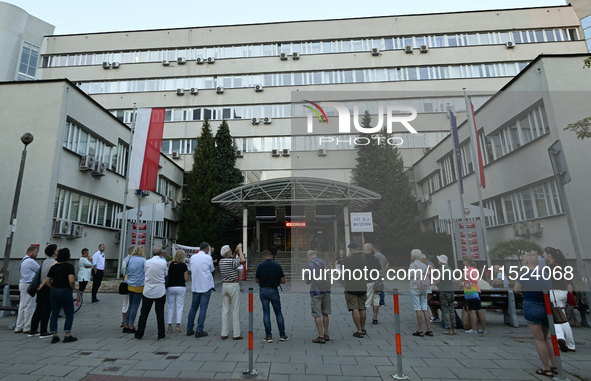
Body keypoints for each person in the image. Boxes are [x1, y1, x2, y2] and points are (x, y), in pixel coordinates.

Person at [514, 251, 557, 378]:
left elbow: (516, 290)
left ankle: (546, 368)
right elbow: (548, 289)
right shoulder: (544, 274)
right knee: (546, 338)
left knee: (538, 339)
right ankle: (555, 366)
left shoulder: (524, 274)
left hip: (532, 305)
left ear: (526, 262)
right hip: (546, 307)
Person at [543, 247, 576, 352]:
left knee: (557, 318)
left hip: (554, 294)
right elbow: (569, 281)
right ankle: (570, 343)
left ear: (549, 255)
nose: (543, 255)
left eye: (544, 253)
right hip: (563, 293)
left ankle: (561, 339)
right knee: (562, 317)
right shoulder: (562, 265)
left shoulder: (550, 267)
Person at [42, 248, 77, 343]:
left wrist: (52, 287)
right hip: (65, 290)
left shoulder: (54, 267)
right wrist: (72, 288)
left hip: (54, 290)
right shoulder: (69, 267)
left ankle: (54, 335)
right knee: (69, 313)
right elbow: (71, 280)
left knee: (54, 313)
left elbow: (47, 281)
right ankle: (67, 335)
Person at [255, 249, 288, 343]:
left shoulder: (260, 266)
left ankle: (268, 336)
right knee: (278, 312)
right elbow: (283, 280)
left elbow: (257, 280)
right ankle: (282, 335)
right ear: (271, 256)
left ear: (263, 257)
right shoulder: (277, 266)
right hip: (274, 290)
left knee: (266, 313)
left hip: (263, 290)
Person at [135, 247, 168, 340]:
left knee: (144, 313)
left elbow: (145, 271)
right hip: (159, 290)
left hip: (148, 289)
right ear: (161, 254)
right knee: (160, 313)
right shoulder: (163, 262)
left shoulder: (147, 262)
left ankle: (139, 334)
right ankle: (161, 334)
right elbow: (166, 273)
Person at [187, 242, 215, 338]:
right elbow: (212, 269)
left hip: (195, 285)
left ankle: (189, 328)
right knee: (203, 308)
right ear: (207, 249)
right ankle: (199, 330)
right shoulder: (208, 258)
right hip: (205, 285)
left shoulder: (193, 257)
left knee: (193, 307)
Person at [29, 244, 57, 338]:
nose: (57, 251)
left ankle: (33, 329)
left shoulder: (44, 261)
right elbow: (49, 277)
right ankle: (43, 331)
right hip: (47, 286)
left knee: (39, 308)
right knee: (46, 309)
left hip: (40, 287)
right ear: (53, 251)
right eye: (56, 250)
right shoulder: (54, 263)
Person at [219, 243, 245, 340]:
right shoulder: (231, 262)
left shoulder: (221, 262)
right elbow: (242, 261)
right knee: (235, 310)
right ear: (227, 253)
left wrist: (235, 252)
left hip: (224, 285)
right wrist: (240, 250)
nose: (231, 251)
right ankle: (236, 334)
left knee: (225, 310)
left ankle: (224, 333)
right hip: (233, 285)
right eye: (229, 250)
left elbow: (233, 260)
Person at [304, 250, 331, 344]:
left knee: (317, 314)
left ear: (309, 255)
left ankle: (321, 336)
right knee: (325, 313)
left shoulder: (310, 265)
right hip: (326, 289)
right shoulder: (323, 262)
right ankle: (326, 334)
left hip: (316, 290)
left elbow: (307, 280)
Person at [342, 242, 368, 338]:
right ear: (358, 248)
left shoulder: (347, 259)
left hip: (351, 287)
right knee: (362, 307)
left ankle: (359, 330)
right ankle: (363, 327)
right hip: (362, 286)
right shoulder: (363, 259)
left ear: (350, 249)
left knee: (354, 308)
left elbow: (342, 270)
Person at [15, 245, 40, 334]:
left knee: (22, 306)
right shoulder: (30, 261)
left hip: (22, 283)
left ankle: (19, 326)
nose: (37, 254)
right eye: (36, 252)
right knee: (30, 306)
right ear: (31, 252)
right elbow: (40, 270)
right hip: (29, 285)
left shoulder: (23, 260)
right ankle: (27, 327)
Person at [123, 245, 147, 334]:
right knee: (135, 306)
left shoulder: (129, 259)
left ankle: (126, 324)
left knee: (130, 305)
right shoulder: (143, 260)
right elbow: (146, 271)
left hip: (130, 283)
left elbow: (126, 271)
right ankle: (131, 326)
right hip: (139, 284)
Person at [409, 249, 433, 337]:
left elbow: (410, 277)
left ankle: (420, 329)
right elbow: (428, 275)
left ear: (413, 257)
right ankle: (429, 329)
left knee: (417, 308)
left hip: (415, 287)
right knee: (425, 308)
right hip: (424, 287)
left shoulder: (412, 265)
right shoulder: (424, 265)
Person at [462, 255, 487, 334]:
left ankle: (474, 329)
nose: (463, 263)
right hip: (476, 290)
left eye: (463, 261)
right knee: (479, 309)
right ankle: (484, 329)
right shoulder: (475, 269)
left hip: (470, 291)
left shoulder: (467, 269)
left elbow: (463, 278)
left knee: (473, 310)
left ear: (466, 262)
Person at [166, 249, 188, 334]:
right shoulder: (183, 265)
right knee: (180, 306)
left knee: (170, 306)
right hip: (181, 287)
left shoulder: (170, 265)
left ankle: (169, 326)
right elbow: (186, 279)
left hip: (171, 286)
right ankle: (178, 326)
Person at [434, 255, 456, 335]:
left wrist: (435, 284)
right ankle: (454, 328)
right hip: (451, 291)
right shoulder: (450, 269)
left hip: (443, 291)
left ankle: (448, 329)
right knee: (451, 309)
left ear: (441, 261)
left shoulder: (440, 270)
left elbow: (437, 281)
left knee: (445, 310)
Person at [363, 243, 381, 325]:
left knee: (366, 301)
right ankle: (375, 318)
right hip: (375, 282)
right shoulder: (375, 258)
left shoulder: (363, 258)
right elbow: (380, 270)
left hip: (367, 281)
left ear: (366, 249)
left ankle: (363, 318)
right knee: (376, 301)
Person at [421, 254, 439, 322]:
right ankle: (435, 316)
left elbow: (432, 270)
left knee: (430, 300)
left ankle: (435, 316)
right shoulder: (428, 263)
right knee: (430, 300)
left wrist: (429, 278)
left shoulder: (428, 264)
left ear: (423, 259)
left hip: (430, 285)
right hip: (430, 284)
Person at [120, 245, 135, 329]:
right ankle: (128, 321)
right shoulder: (134, 260)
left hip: (126, 281)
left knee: (125, 303)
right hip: (133, 282)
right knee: (131, 302)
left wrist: (125, 281)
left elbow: (124, 272)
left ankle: (123, 320)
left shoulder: (125, 260)